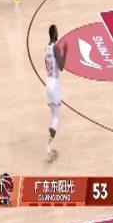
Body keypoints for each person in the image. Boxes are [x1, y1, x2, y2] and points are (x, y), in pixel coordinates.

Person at [45, 24, 68, 162]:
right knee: (56, 118)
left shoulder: (46, 48)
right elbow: (62, 66)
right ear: (54, 34)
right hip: (54, 83)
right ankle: (48, 147)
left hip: (48, 82)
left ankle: (50, 146)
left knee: (54, 116)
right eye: (57, 32)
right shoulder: (55, 48)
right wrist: (65, 52)